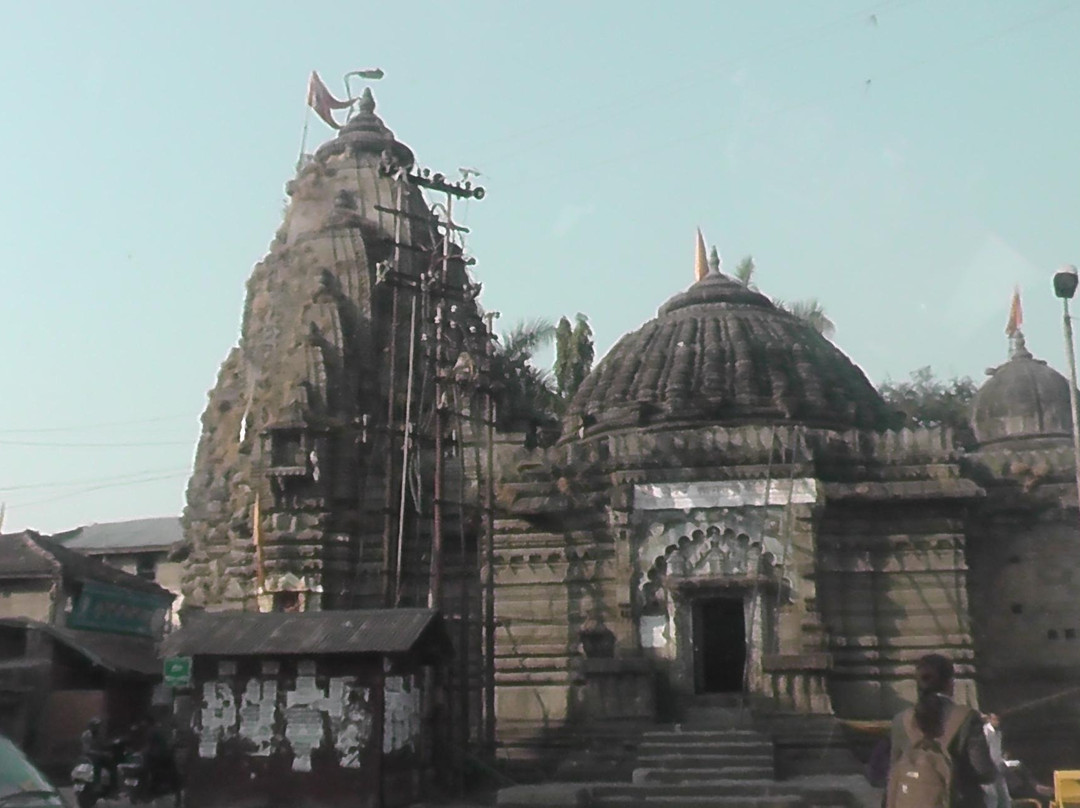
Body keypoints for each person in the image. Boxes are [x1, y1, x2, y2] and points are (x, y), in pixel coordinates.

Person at [886, 654, 997, 808]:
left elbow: (893, 769)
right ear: (950, 683)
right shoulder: (967, 718)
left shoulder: (901, 720)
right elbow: (983, 772)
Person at [981, 713, 1011, 808]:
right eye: (995, 719)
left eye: (998, 719)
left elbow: (996, 750)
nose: (997, 722)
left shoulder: (998, 733)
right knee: (992, 797)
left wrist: (1003, 758)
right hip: (988, 767)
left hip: (998, 767)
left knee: (1005, 798)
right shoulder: (985, 731)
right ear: (989, 719)